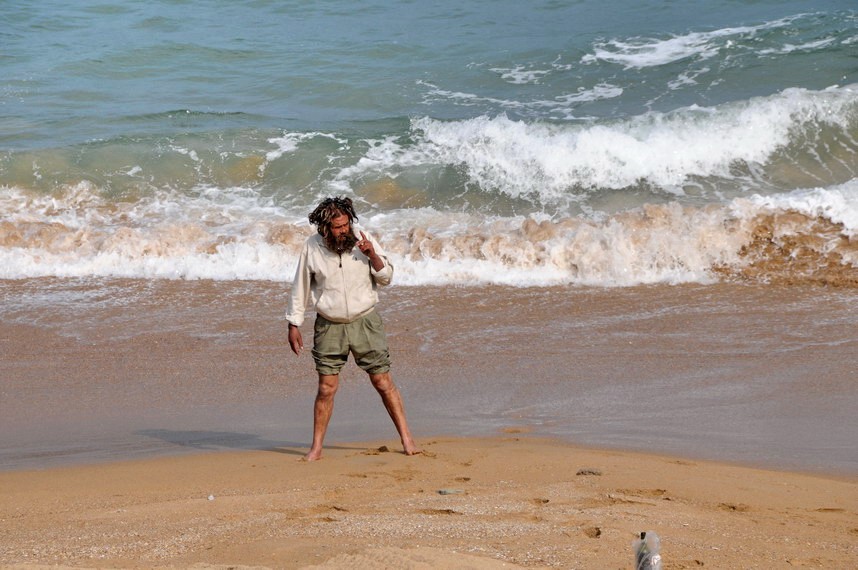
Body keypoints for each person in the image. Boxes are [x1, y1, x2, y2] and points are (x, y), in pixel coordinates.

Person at [286, 196, 420, 461]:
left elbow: (387, 277)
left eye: (346, 224)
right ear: (325, 228)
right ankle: (316, 448)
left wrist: (372, 255)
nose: (344, 230)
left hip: (365, 322)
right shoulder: (312, 247)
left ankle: (407, 439)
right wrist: (294, 323)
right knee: (326, 388)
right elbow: (300, 285)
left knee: (382, 381)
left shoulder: (362, 239)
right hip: (329, 326)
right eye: (338, 227)